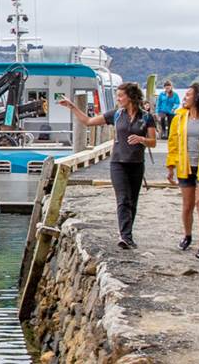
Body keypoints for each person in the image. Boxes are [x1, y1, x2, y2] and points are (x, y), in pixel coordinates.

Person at [60, 83, 157, 249]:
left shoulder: (147, 117)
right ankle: (125, 236)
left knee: (132, 201)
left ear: (131, 96)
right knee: (123, 199)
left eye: (120, 96)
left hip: (137, 164)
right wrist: (73, 107)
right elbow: (88, 121)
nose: (118, 99)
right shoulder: (116, 115)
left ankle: (128, 234)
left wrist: (141, 139)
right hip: (118, 163)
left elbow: (153, 142)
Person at [163, 83, 199, 256]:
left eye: (188, 95)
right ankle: (187, 235)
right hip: (185, 165)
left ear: (198, 98)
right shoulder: (179, 118)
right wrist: (170, 166)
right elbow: (172, 142)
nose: (184, 97)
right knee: (187, 205)